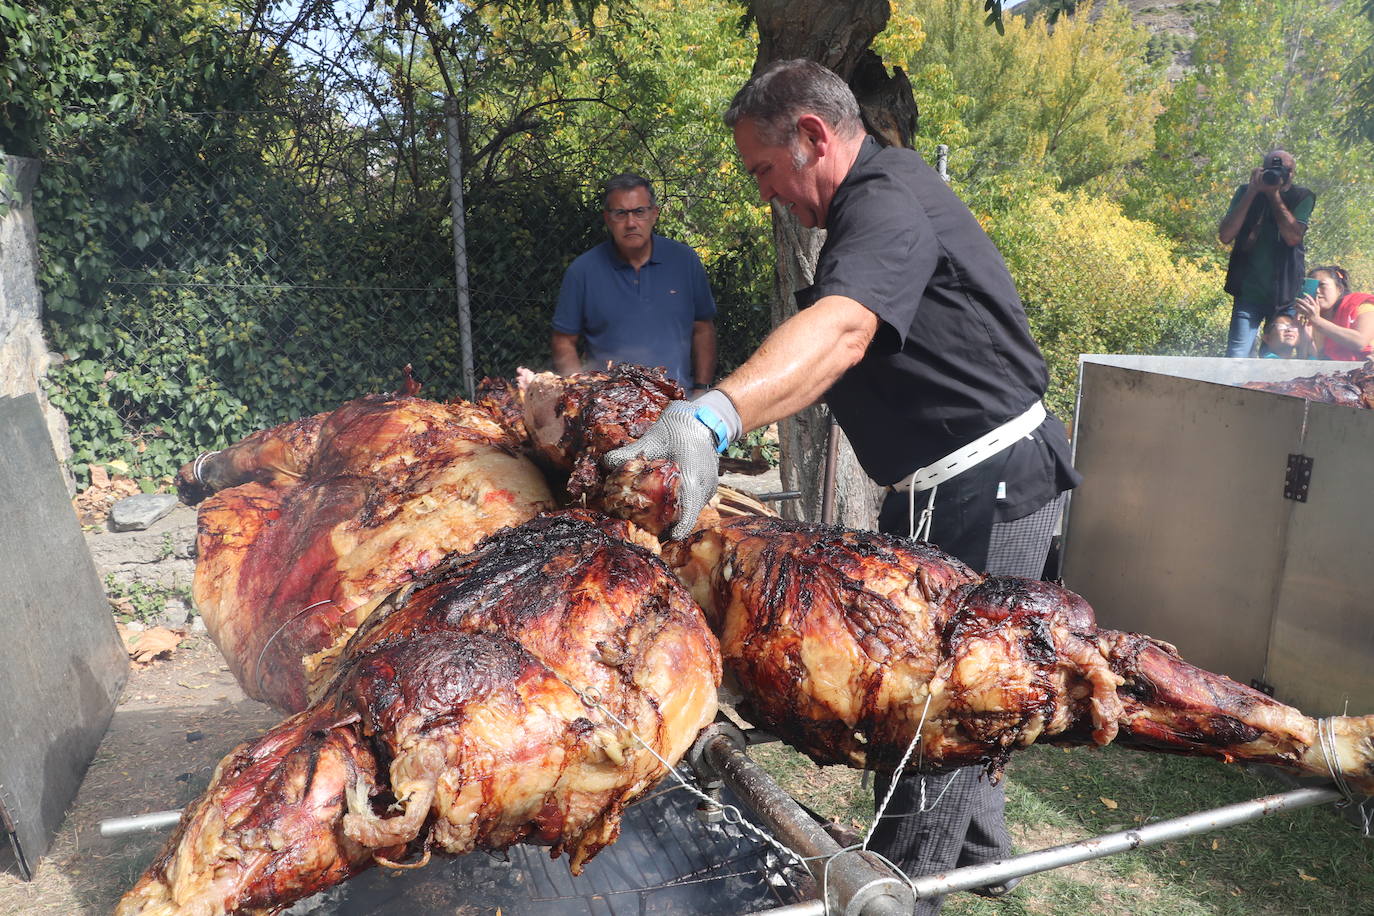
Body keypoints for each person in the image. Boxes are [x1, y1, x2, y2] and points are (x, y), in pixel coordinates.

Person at [605, 59, 1080, 912]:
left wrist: (713, 418)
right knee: (949, 685)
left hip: (994, 484)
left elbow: (844, 329)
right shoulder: (871, 203)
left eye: (764, 170)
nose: (764, 194)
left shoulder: (888, 197)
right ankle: (985, 855)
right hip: (939, 488)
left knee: (935, 720)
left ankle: (899, 890)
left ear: (815, 138)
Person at [551, 173, 718, 392]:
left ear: (654, 214)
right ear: (607, 218)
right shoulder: (582, 271)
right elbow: (564, 341)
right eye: (621, 213)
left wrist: (701, 388)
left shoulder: (685, 261)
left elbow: (703, 328)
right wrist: (580, 393)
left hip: (675, 405)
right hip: (607, 411)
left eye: (639, 212)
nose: (631, 223)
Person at [1217, 150, 1315, 357]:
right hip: (1248, 291)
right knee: (1237, 355)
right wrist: (1253, 191)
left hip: (1284, 294)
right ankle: (1234, 389)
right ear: (1261, 169)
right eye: (1271, 169)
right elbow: (1226, 235)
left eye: (1283, 170)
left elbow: (1293, 237)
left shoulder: (1302, 196)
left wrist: (1274, 196)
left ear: (1292, 173)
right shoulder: (1246, 192)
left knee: (1278, 356)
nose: (1277, 174)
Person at [1294, 265, 1374, 361]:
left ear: (1339, 289)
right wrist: (1303, 332)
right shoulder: (1310, 321)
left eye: (1322, 285)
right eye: (1313, 286)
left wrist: (1317, 321)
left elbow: (1360, 342)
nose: (1317, 291)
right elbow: (1309, 361)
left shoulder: (1362, 306)